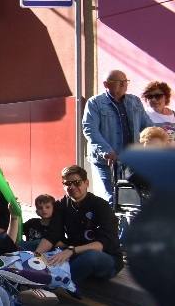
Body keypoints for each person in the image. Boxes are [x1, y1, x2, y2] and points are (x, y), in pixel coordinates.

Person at [36, 165, 123, 288]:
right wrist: (34, 257)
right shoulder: (62, 204)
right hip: (75, 253)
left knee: (90, 256)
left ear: (86, 183)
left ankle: (51, 286)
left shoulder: (101, 205)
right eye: (67, 183)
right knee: (33, 245)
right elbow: (52, 235)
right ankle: (21, 276)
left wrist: (71, 250)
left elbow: (103, 243)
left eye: (76, 183)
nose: (72, 187)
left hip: (106, 258)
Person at [81, 70, 148, 201]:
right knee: (110, 198)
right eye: (119, 82)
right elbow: (90, 129)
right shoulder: (95, 103)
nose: (123, 85)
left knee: (130, 200)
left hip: (131, 161)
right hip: (106, 161)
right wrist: (106, 150)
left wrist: (160, 139)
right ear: (106, 84)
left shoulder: (134, 101)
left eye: (125, 82)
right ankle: (110, 221)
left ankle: (125, 222)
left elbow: (147, 126)